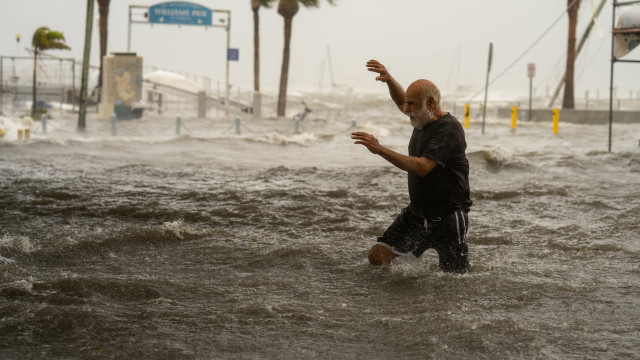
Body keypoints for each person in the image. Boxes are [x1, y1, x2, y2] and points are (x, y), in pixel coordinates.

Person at [351, 59, 472, 273]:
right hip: (416, 214)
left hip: (448, 218)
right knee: (378, 256)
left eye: (412, 104)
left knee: (454, 280)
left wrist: (379, 149)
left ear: (432, 103)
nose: (407, 109)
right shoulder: (421, 117)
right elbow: (401, 102)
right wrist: (389, 80)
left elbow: (422, 167)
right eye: (407, 104)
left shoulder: (448, 129)